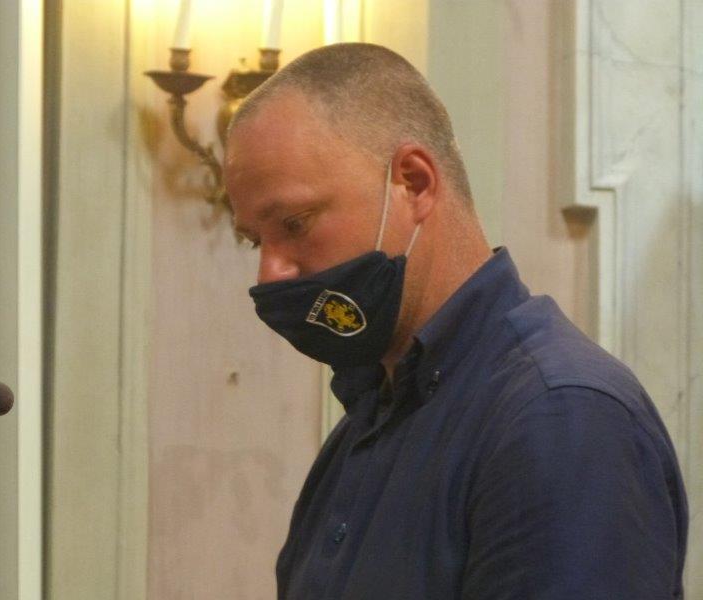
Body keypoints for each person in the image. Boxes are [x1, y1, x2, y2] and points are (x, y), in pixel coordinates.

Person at [223, 43, 687, 600]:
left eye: (295, 224)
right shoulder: (371, 417)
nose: (269, 274)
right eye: (254, 240)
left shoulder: (562, 416)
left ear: (415, 182)